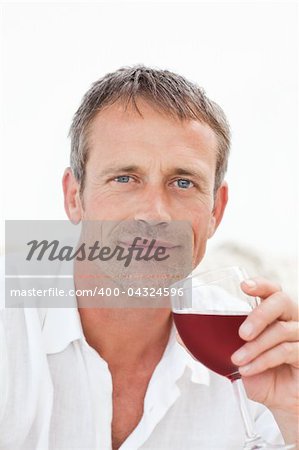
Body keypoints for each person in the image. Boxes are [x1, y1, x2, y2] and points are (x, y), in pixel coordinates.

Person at [0, 66, 298, 450]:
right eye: (125, 178)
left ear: (215, 211)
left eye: (183, 182)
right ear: (75, 197)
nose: (155, 212)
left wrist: (292, 416)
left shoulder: (250, 351)